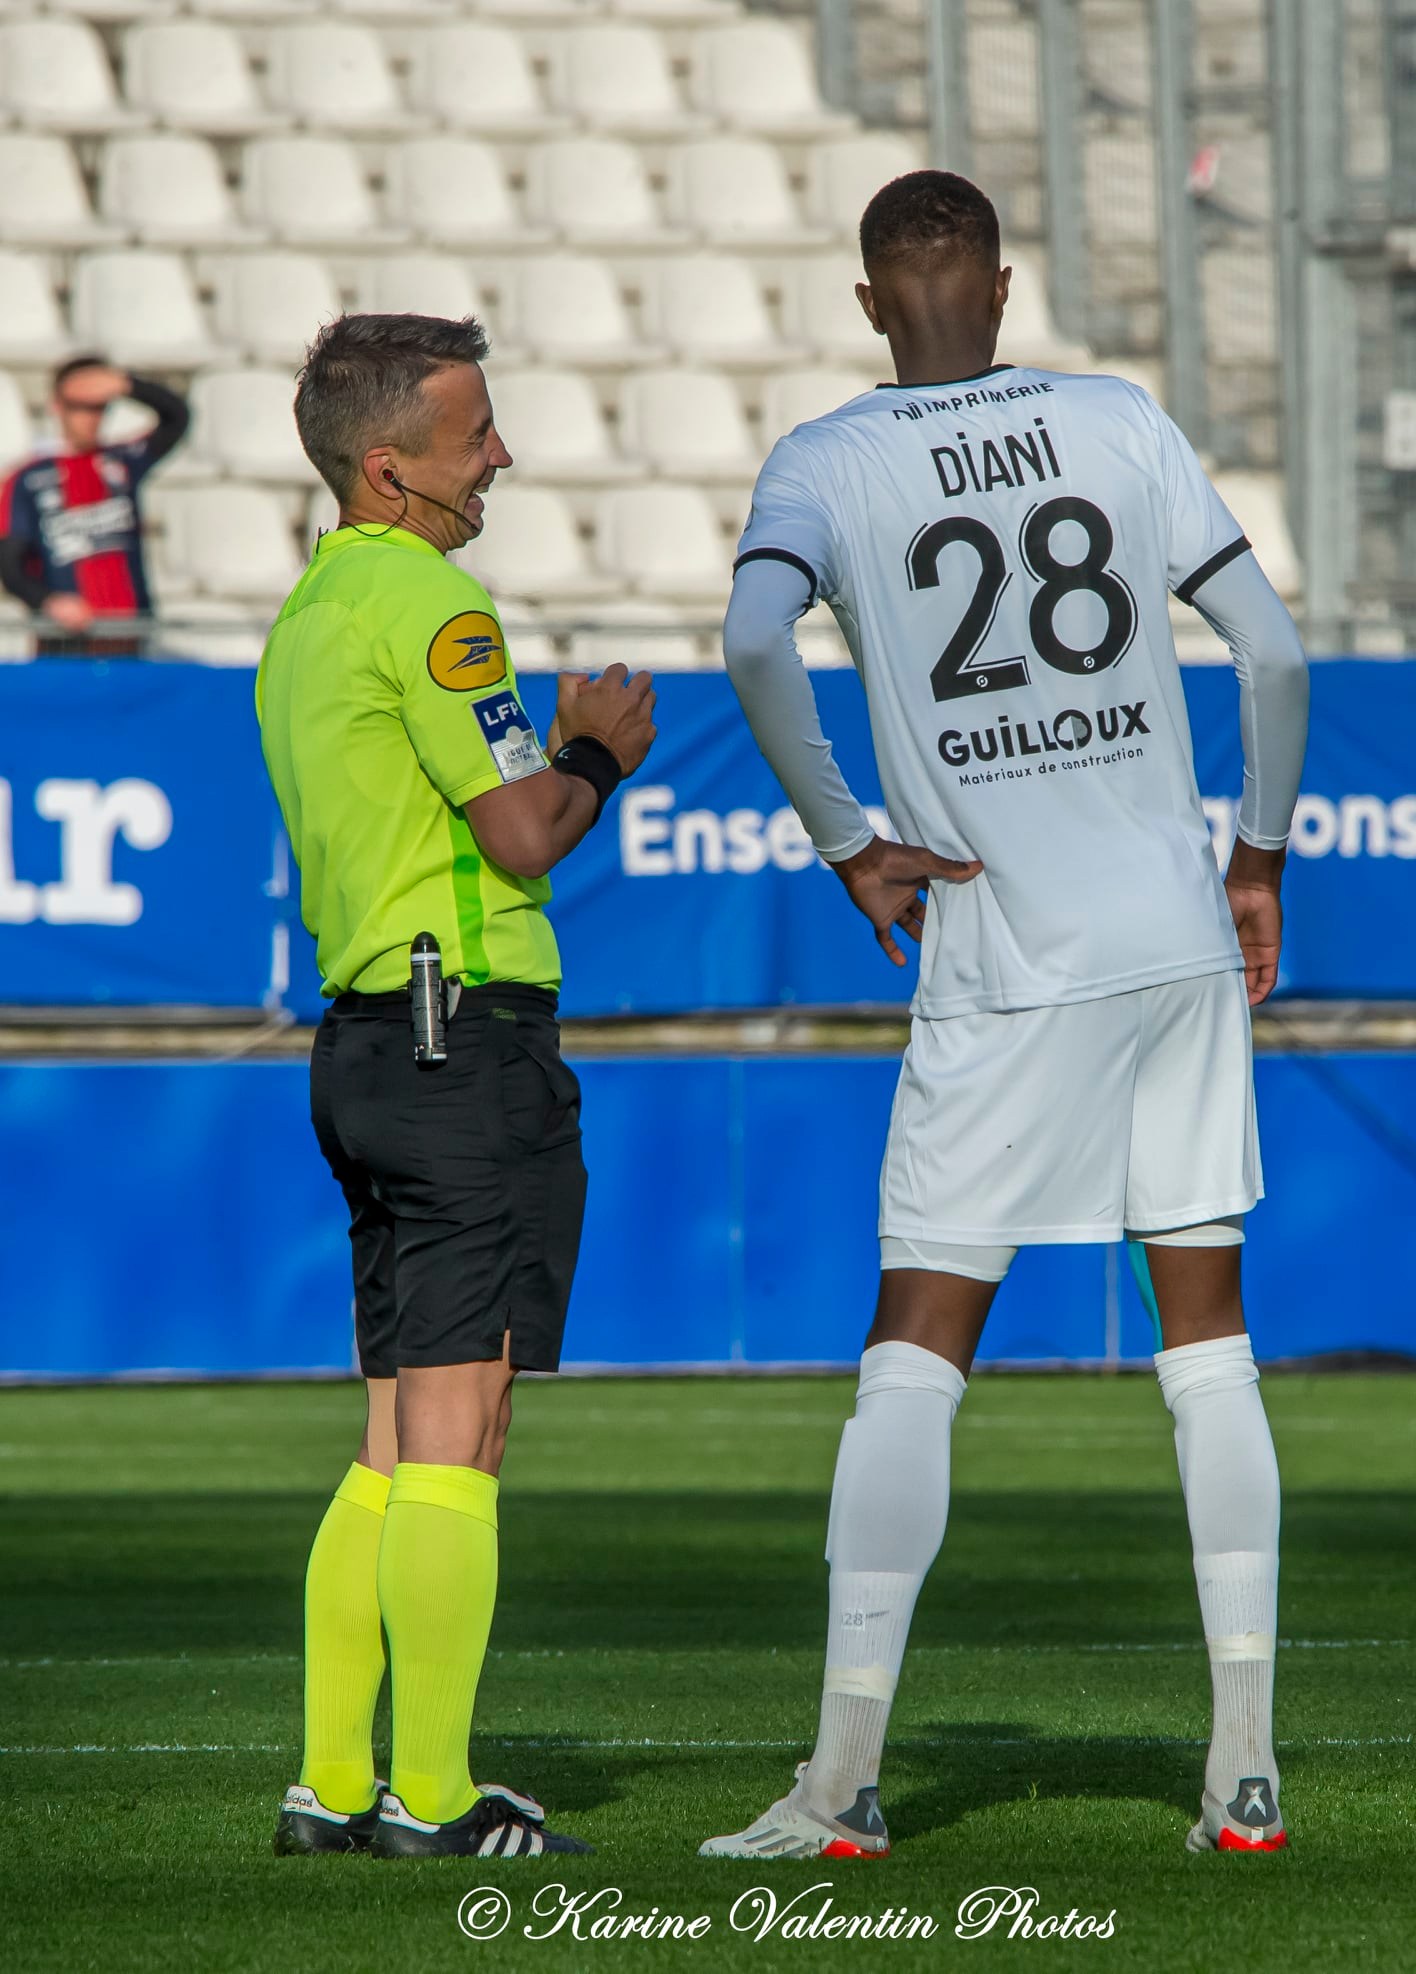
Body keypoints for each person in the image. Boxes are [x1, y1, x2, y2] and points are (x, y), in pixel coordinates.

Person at [704, 171, 1309, 1862]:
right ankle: (1246, 1773)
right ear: (1002, 285)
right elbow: (1271, 657)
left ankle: (840, 1783)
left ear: (869, 300)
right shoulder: (1116, 420)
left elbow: (752, 642)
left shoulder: (826, 459)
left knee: (914, 1350)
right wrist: (1255, 857)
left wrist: (846, 839)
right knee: (1208, 1343)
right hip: (1174, 934)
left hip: (999, 944)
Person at [257, 313, 656, 1861]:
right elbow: (521, 833)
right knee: (460, 1434)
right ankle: (430, 1794)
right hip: (458, 1040)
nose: (501, 455)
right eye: (473, 433)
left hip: (365, 1042)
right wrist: (593, 753)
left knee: (387, 1437)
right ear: (390, 467)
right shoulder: (436, 605)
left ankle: (328, 1782)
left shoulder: (309, 613)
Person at [0, 357, 189, 656]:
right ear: (57, 406)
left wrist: (127, 384)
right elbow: (11, 564)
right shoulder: (27, 479)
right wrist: (48, 601)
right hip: (64, 641)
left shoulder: (123, 461)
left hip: (131, 633)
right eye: (80, 407)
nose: (91, 418)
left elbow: (177, 418)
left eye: (99, 407)